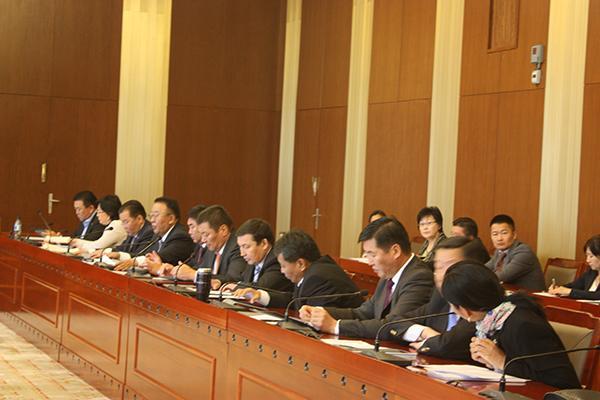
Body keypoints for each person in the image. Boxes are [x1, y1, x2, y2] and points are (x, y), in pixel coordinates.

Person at [442, 261, 581, 389]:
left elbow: (564, 382)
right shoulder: (490, 321)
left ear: (464, 310)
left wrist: (502, 361)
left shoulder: (523, 324)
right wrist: (489, 361)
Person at [299, 217, 433, 338]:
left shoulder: (419, 277)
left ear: (395, 251)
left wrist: (335, 326)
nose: (369, 262)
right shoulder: (387, 276)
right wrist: (319, 312)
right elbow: (363, 313)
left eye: (372, 255)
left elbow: (393, 325)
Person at [390, 236, 477, 360]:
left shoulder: (481, 304)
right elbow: (393, 322)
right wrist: (424, 332)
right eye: (438, 267)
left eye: (450, 266)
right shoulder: (440, 300)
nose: (441, 275)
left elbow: (448, 345)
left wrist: (432, 343)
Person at [235, 230, 362, 309]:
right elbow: (294, 300)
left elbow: (316, 318)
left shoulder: (318, 277)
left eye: (283, 266)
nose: (281, 271)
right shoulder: (313, 271)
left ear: (300, 263)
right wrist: (260, 295)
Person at [114, 197, 194, 273]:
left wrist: (135, 261)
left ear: (171, 219)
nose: (152, 220)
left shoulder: (180, 237)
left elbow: (160, 257)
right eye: (151, 216)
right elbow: (144, 254)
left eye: (156, 215)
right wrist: (121, 256)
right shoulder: (157, 236)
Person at [221, 218, 292, 292]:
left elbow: (260, 288)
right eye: (240, 247)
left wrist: (236, 288)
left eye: (246, 247)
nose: (242, 254)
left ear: (264, 244)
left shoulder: (277, 261)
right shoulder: (254, 261)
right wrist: (221, 282)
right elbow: (241, 281)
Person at [485, 214, 545, 291]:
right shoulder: (499, 251)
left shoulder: (524, 252)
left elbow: (502, 276)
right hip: (510, 293)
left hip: (531, 296)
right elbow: (484, 269)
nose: (499, 238)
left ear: (514, 235)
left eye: (504, 233)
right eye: (495, 234)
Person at [194, 205, 248, 288]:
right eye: (202, 235)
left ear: (223, 230)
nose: (203, 240)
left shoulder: (238, 247)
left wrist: (194, 275)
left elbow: (233, 278)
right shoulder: (211, 249)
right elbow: (201, 269)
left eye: (206, 234)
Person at [160, 204, 208, 280]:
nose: (189, 232)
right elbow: (189, 268)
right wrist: (173, 269)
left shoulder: (211, 249)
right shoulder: (198, 247)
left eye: (192, 227)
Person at [548, 234, 600, 300]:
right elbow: (574, 286)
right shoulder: (591, 272)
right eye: (587, 256)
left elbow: (597, 295)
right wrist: (558, 288)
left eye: (591, 256)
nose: (587, 260)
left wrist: (570, 292)